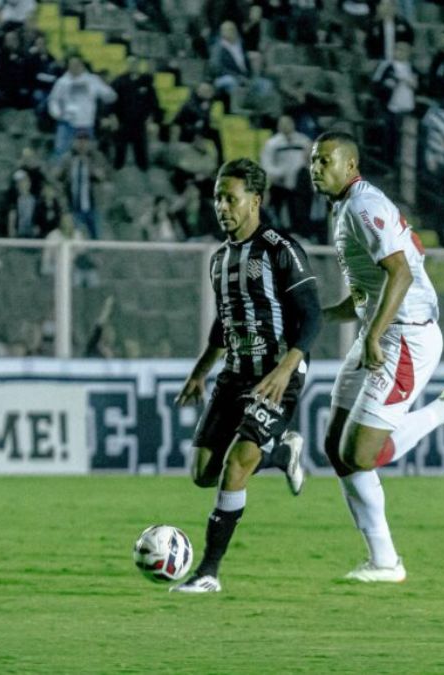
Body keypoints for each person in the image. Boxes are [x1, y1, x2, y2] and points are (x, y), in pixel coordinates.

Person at [310, 131, 444, 583]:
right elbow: (368, 292)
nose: (315, 168)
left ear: (350, 166)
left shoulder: (364, 206)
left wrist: (375, 335)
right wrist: (322, 317)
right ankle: (383, 561)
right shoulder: (346, 207)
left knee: (361, 452)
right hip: (382, 329)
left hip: (406, 335)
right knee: (337, 448)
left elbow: (400, 273)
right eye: (313, 161)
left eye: (324, 160)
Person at [169, 159, 321, 594]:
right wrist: (200, 373)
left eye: (230, 198)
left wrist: (285, 368)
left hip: (276, 375)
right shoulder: (219, 259)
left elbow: (311, 318)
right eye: (218, 198)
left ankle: (208, 572)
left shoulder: (279, 248)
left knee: (236, 465)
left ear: (255, 201)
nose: (221, 207)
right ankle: (280, 453)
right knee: (202, 472)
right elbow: (225, 322)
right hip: (234, 375)